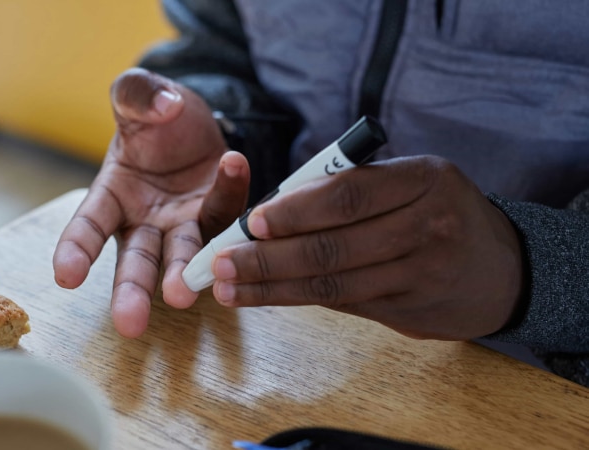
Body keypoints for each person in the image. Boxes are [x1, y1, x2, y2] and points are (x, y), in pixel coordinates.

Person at [52, 1, 589, 386]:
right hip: (303, 356)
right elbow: (223, 45)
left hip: (545, 390)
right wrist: (226, 131)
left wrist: (536, 268)